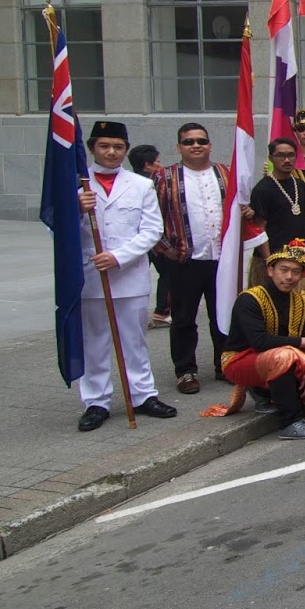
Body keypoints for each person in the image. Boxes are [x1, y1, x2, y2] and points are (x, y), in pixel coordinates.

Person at [72, 121, 176, 432]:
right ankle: (96, 401)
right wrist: (75, 209)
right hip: (90, 276)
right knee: (95, 342)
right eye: (104, 146)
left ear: (125, 150)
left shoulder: (140, 184)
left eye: (118, 147)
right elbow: (56, 231)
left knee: (134, 340)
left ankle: (143, 395)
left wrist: (118, 256)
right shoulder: (75, 185)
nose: (111, 152)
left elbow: (152, 230)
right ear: (92, 148)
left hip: (128, 275)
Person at [217, 241, 305, 440]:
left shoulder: (302, 303)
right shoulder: (250, 299)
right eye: (283, 270)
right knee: (284, 356)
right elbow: (259, 342)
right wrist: (302, 342)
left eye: (295, 272)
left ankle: (264, 394)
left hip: (275, 359)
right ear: (270, 270)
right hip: (239, 360)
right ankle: (290, 422)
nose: (289, 277)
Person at [154, 122, 231, 395]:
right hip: (184, 260)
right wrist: (166, 249)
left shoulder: (224, 173)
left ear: (210, 145)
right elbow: (152, 219)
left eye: (201, 141)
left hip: (221, 259)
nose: (195, 145)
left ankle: (225, 365)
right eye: (189, 142)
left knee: (222, 314)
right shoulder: (165, 177)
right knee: (184, 318)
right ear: (179, 147)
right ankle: (185, 371)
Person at [249, 138, 305, 268]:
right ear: (271, 158)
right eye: (281, 156)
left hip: (301, 255)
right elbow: (260, 228)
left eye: (291, 155)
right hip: (275, 257)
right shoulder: (262, 189)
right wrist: (269, 261)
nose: (286, 160)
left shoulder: (301, 185)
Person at [127, 142, 172, 329]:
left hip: (135, 240)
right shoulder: (154, 183)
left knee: (134, 277)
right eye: (158, 161)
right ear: (148, 165)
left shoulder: (128, 183)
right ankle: (162, 312)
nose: (160, 165)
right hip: (154, 240)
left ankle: (133, 315)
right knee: (169, 274)